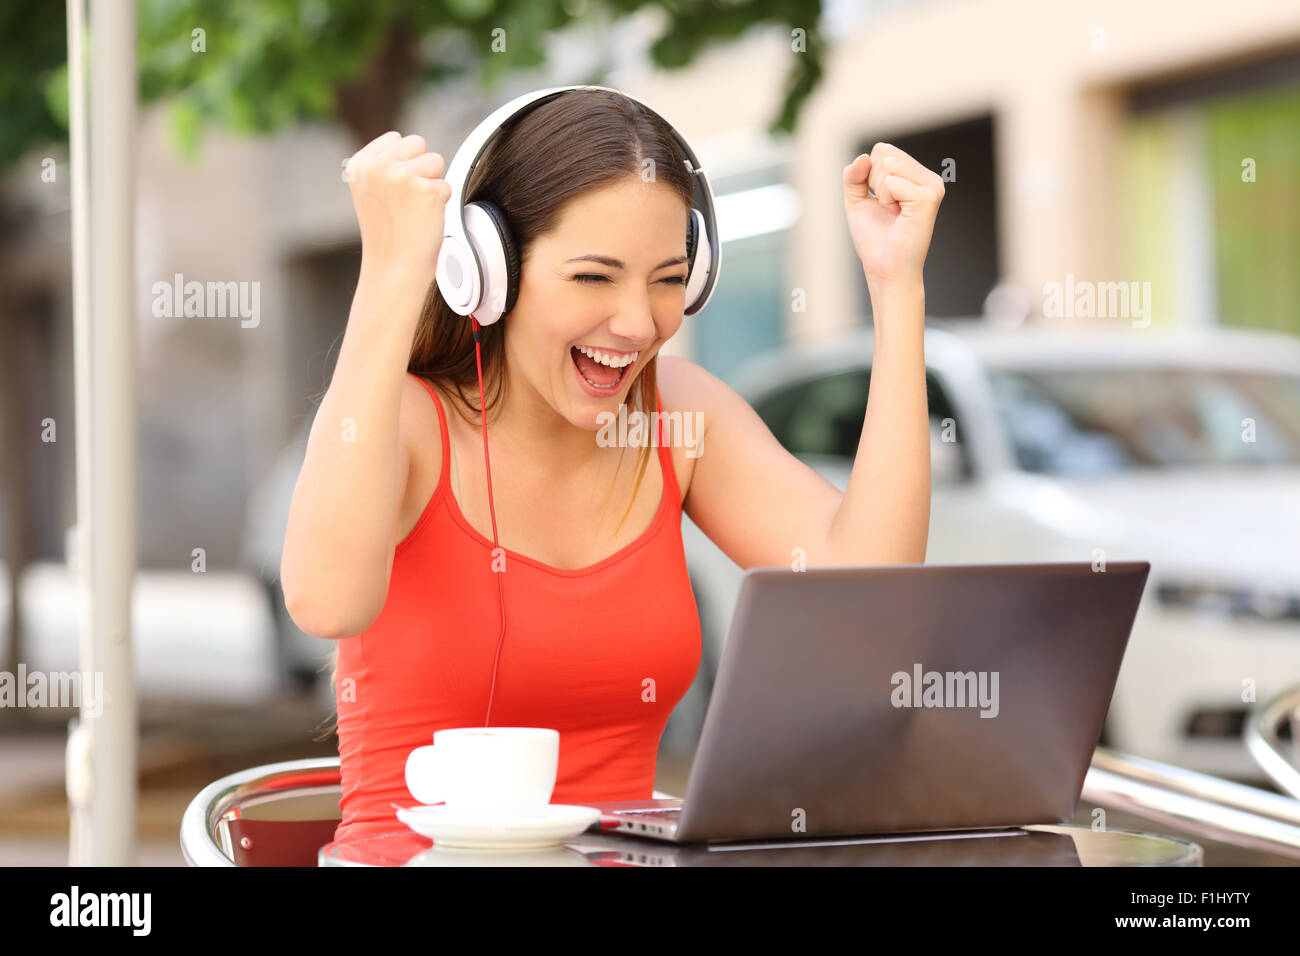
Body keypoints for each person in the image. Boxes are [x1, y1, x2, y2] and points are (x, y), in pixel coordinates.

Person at [280, 88, 943, 842]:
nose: (637, 322)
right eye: (594, 277)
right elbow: (325, 603)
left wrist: (897, 290)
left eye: (667, 279)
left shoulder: (679, 421)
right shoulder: (406, 421)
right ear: (486, 273)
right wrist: (394, 275)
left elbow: (867, 586)